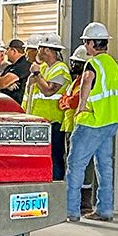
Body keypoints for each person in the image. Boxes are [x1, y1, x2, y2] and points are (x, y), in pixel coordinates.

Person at [65, 22, 118, 224]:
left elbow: (87, 81)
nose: (85, 46)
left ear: (91, 43)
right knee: (104, 167)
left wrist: (81, 106)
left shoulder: (93, 64)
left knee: (76, 165)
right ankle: (104, 209)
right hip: (111, 121)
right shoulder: (112, 64)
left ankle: (71, 211)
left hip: (92, 121)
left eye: (86, 42)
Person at [23, 37, 71, 180]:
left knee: (55, 157)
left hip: (53, 121)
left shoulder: (61, 69)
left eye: (40, 49)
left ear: (47, 50)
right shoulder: (43, 68)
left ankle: (56, 185)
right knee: (38, 157)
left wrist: (37, 75)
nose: (38, 52)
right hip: (38, 121)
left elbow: (49, 90)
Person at [0, 38, 29, 104]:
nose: (5, 53)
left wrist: (5, 83)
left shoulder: (24, 64)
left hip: (17, 106)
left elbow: (1, 83)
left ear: (13, 51)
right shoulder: (10, 67)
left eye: (7, 49)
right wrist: (7, 84)